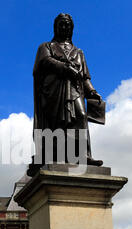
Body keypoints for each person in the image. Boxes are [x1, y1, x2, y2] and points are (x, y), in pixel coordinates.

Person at [31, 13, 104, 171]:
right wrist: (65, 68)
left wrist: (92, 91)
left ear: (72, 29)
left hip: (74, 91)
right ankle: (54, 156)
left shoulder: (79, 52)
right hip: (53, 92)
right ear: (55, 27)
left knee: (81, 116)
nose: (64, 27)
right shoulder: (46, 47)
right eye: (61, 24)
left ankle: (82, 155)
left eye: (67, 25)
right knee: (56, 123)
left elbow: (84, 77)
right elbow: (44, 61)